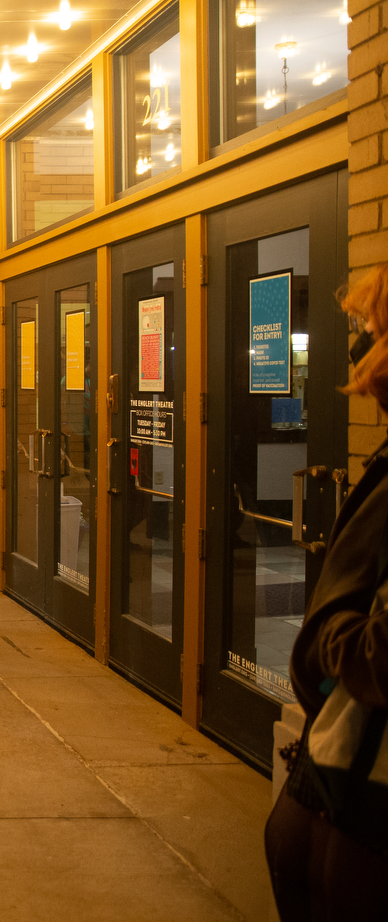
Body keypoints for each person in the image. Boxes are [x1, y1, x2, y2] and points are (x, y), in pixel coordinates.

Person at [265, 264, 388, 921]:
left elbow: (378, 652)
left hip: (365, 806)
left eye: (373, 327)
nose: (361, 344)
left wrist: (326, 633)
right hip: (338, 777)